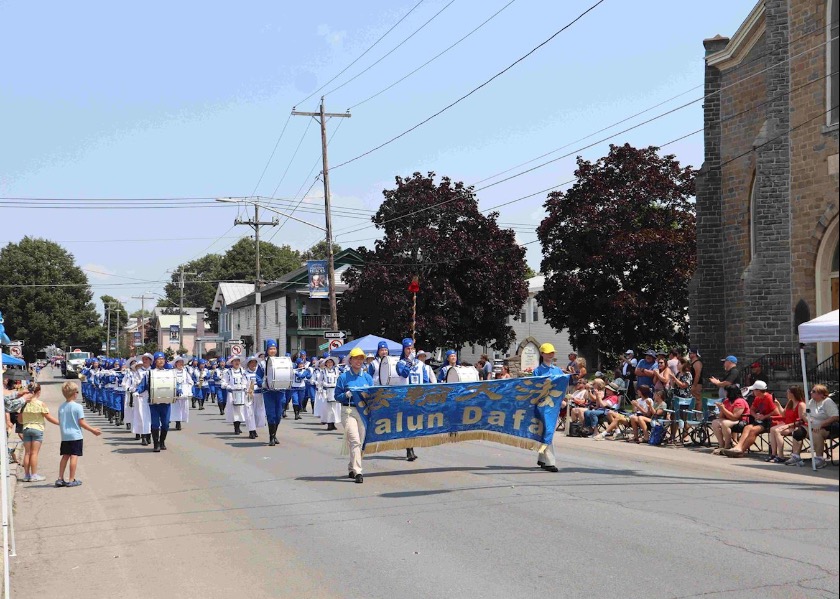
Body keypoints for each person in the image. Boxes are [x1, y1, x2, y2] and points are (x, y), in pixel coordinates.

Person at [336, 347, 374, 484]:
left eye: (361, 358)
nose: (359, 361)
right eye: (356, 358)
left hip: (363, 412)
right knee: (354, 440)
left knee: (360, 442)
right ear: (350, 360)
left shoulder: (367, 377)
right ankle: (358, 471)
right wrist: (346, 395)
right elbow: (337, 396)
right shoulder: (343, 377)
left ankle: (351, 467)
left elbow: (373, 396)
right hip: (349, 411)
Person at [55, 382, 101, 487]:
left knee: (65, 456)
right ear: (74, 393)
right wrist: (92, 430)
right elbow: (81, 422)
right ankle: (71, 479)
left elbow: (61, 420)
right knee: (74, 456)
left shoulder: (61, 407)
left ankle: (60, 478)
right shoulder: (77, 407)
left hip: (65, 435)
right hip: (75, 435)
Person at [721, 381, 780, 457]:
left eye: (754, 390)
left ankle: (741, 450)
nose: (753, 392)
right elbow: (751, 410)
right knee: (747, 427)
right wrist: (755, 415)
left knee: (753, 430)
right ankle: (738, 447)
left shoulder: (769, 397)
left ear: (758, 390)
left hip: (769, 421)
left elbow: (776, 412)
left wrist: (764, 416)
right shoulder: (757, 398)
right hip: (759, 420)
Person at [787, 384, 839, 468]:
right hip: (812, 426)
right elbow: (806, 414)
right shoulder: (812, 401)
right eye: (811, 391)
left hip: (827, 427)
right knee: (798, 431)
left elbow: (835, 417)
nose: (811, 392)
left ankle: (819, 458)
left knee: (816, 432)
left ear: (821, 394)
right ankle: (796, 456)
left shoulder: (827, 402)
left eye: (814, 391)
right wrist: (806, 418)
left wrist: (821, 424)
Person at [20, 383, 59, 482]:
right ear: (39, 392)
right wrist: (60, 423)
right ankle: (34, 475)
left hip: (26, 428)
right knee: (34, 453)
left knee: (27, 453)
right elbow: (48, 417)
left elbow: (20, 420)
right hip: (37, 429)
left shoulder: (24, 404)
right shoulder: (40, 403)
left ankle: (26, 475)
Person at [135, 352, 174, 452]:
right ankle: (156, 444)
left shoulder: (169, 372)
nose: (161, 361)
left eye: (163, 359)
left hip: (166, 402)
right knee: (155, 424)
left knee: (165, 424)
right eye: (159, 359)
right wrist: (137, 391)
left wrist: (179, 391)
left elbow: (174, 384)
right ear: (155, 361)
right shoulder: (150, 373)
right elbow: (143, 385)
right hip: (154, 403)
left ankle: (162, 442)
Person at [533, 343, 563, 473]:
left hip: (554, 405)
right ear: (542, 354)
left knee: (547, 431)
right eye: (548, 352)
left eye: (552, 352)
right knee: (548, 431)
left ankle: (542, 457)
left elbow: (563, 387)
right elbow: (535, 388)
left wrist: (564, 399)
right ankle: (550, 462)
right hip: (542, 405)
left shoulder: (558, 370)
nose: (551, 354)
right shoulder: (538, 371)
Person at [395, 337, 420, 461]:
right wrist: (409, 362)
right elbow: (403, 374)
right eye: (407, 349)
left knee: (415, 423)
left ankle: (411, 447)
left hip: (417, 396)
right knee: (407, 423)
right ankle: (409, 449)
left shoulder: (420, 364)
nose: (409, 351)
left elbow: (424, 379)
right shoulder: (400, 363)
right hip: (405, 396)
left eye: (411, 348)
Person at [767, 386, 807, 463]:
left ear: (793, 394)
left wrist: (788, 425)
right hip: (787, 424)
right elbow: (783, 415)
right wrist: (778, 404)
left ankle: (781, 456)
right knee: (772, 429)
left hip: (795, 426)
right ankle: (773, 454)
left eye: (788, 392)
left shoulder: (801, 404)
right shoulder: (790, 402)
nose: (787, 394)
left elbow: (801, 421)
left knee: (777, 431)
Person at [257, 339, 285, 446]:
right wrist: (262, 384)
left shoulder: (281, 362)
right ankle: (271, 437)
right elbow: (258, 377)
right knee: (271, 414)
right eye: (270, 349)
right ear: (267, 350)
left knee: (278, 414)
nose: (272, 350)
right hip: (268, 391)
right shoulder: (263, 364)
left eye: (274, 348)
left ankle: (275, 434)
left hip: (280, 391)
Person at [711, 384, 750, 453]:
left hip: (741, 421)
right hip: (730, 420)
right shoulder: (726, 401)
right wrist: (721, 409)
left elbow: (735, 417)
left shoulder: (740, 401)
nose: (725, 393)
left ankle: (727, 445)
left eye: (726, 392)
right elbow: (721, 417)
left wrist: (723, 409)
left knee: (725, 423)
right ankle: (721, 444)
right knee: (715, 422)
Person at [223, 355, 249, 435]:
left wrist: (244, 387)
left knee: (241, 410)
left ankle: (239, 425)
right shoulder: (228, 372)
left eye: (238, 361)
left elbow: (246, 381)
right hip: (232, 394)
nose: (237, 362)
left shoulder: (243, 371)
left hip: (241, 393)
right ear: (232, 362)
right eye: (235, 361)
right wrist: (228, 387)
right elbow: (224, 382)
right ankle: (236, 427)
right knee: (235, 411)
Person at [244, 356, 267, 440]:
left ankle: (255, 428)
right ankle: (251, 430)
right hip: (249, 395)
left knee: (258, 413)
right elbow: (243, 383)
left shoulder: (260, 373)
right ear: (248, 364)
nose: (253, 364)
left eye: (255, 363)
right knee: (250, 413)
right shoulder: (245, 374)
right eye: (251, 363)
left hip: (259, 394)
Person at [316, 356, 341, 431]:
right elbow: (319, 381)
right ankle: (329, 424)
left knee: (335, 408)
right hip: (326, 391)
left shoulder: (337, 370)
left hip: (335, 390)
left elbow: (339, 380)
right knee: (328, 408)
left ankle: (333, 423)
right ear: (326, 364)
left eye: (331, 362)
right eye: (328, 362)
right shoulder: (323, 371)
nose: (329, 364)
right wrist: (320, 389)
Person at [170, 356, 193, 431]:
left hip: (184, 392)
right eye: (179, 363)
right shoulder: (172, 372)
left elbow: (190, 381)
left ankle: (181, 419)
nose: (181, 364)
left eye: (182, 363)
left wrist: (188, 388)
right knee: (176, 407)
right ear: (176, 364)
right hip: (175, 392)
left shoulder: (185, 372)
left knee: (183, 407)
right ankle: (177, 421)